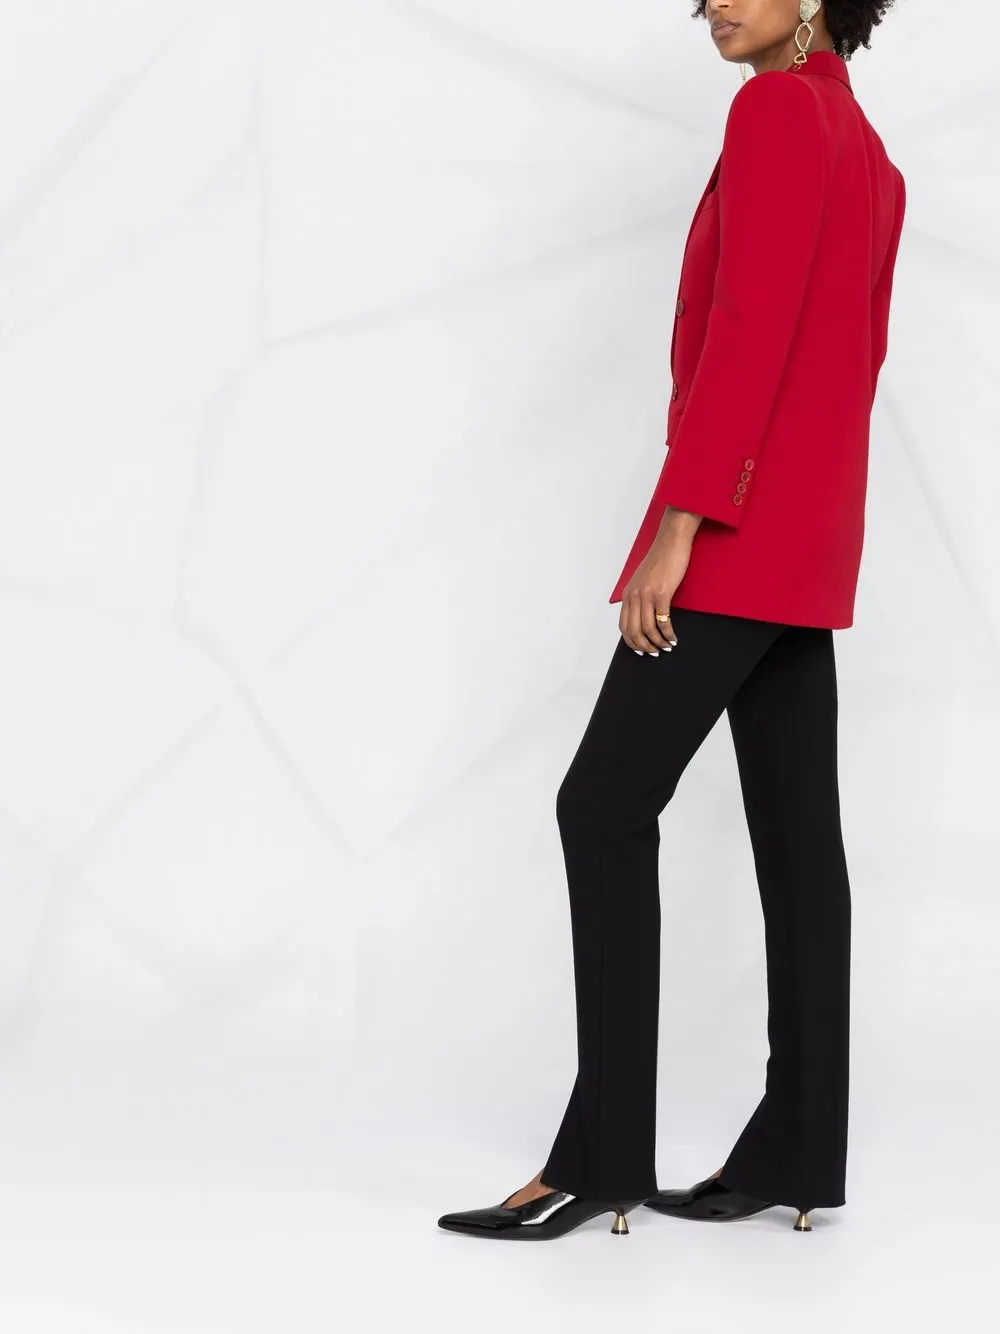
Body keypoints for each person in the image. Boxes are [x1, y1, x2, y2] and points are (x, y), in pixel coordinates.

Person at [438, 0, 905, 1241]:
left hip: (739, 534)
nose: (709, 4)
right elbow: (850, 361)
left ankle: (602, 1158)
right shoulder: (865, 147)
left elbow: (749, 333)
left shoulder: (775, 113)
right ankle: (798, 1149)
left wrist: (682, 522)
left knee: (599, 804)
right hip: (809, 536)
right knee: (798, 838)